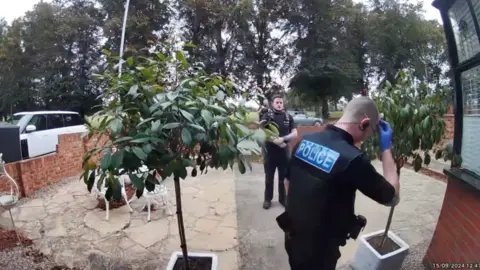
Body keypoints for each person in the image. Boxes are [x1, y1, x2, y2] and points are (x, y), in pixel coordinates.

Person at [278, 96, 400, 270]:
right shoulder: (354, 160)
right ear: (363, 123)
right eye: (368, 132)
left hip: (292, 237)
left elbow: (287, 182)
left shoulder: (305, 141)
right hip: (320, 253)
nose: (365, 138)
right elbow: (392, 197)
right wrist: (386, 149)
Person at [260, 94, 298, 209]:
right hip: (270, 152)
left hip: (284, 152)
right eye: (277, 102)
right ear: (273, 103)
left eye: (281, 102)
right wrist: (273, 139)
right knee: (269, 178)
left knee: (283, 177)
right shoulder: (267, 116)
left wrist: (283, 139)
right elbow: (261, 130)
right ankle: (267, 200)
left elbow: (295, 133)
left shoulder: (288, 117)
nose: (279, 104)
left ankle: (283, 199)